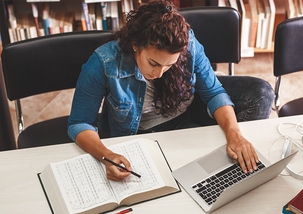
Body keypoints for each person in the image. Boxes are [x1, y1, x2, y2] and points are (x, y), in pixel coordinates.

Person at [68, 0, 274, 181]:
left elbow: (213, 92)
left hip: (186, 118)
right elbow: (79, 123)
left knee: (261, 93)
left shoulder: (188, 44)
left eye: (169, 66)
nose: (160, 73)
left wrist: (234, 133)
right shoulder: (104, 62)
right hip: (141, 134)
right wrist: (106, 156)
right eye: (153, 63)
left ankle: (237, 157)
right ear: (135, 45)